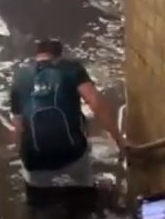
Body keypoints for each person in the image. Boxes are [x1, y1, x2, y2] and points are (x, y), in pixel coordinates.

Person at [9, 38, 126, 198]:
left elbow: (18, 128)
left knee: (39, 201)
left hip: (35, 160)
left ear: (37, 55)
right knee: (84, 192)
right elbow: (95, 103)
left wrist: (22, 154)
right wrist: (119, 140)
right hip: (73, 152)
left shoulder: (19, 78)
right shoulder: (71, 69)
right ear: (59, 55)